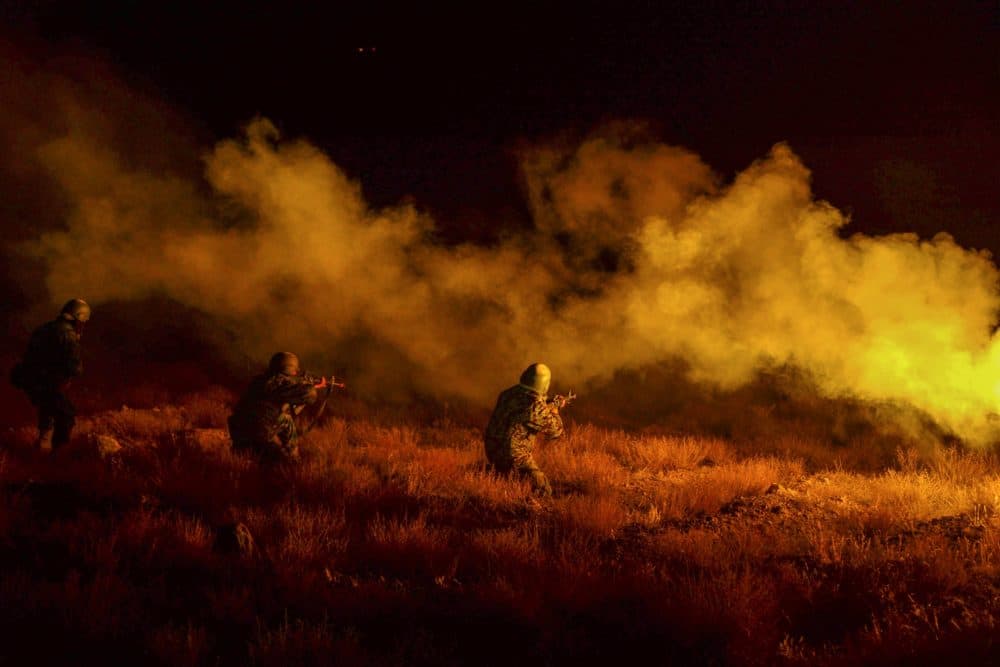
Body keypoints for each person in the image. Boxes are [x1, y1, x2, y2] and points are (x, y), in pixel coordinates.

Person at [10, 298, 90, 451]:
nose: (83, 325)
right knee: (67, 414)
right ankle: (58, 453)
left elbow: (29, 356)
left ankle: (43, 442)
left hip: (30, 380)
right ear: (78, 317)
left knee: (49, 407)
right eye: (83, 321)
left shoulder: (44, 328)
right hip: (47, 383)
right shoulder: (69, 336)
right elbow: (76, 369)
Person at [227, 351, 329, 462]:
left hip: (239, 431)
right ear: (289, 368)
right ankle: (293, 458)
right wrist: (308, 386)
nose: (296, 372)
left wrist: (309, 385)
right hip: (259, 433)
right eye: (295, 370)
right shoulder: (280, 384)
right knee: (281, 461)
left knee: (246, 455)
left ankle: (242, 451)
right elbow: (309, 394)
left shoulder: (260, 380)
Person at [484, 362, 567, 497]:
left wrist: (547, 403)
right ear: (545, 384)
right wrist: (555, 410)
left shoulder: (507, 393)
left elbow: (521, 407)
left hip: (492, 451)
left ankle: (496, 472)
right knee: (543, 490)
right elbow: (557, 432)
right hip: (515, 458)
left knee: (503, 474)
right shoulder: (536, 408)